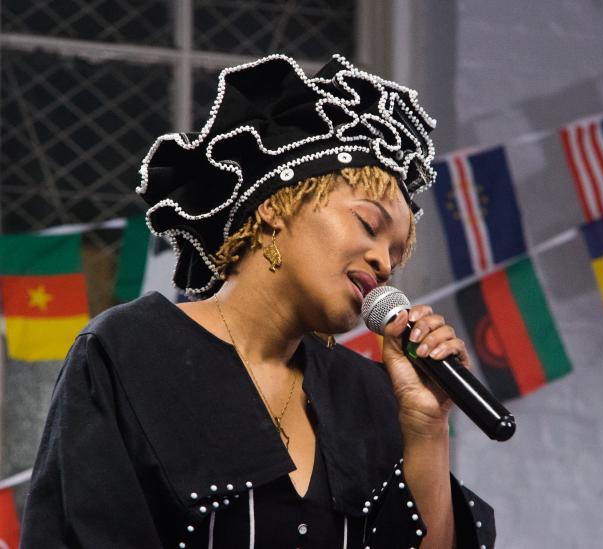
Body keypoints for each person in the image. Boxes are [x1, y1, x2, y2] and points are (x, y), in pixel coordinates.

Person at [20, 54, 495, 548]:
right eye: (369, 225)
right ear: (274, 207)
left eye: (396, 254)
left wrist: (425, 427)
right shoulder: (129, 351)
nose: (383, 261)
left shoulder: (371, 395)